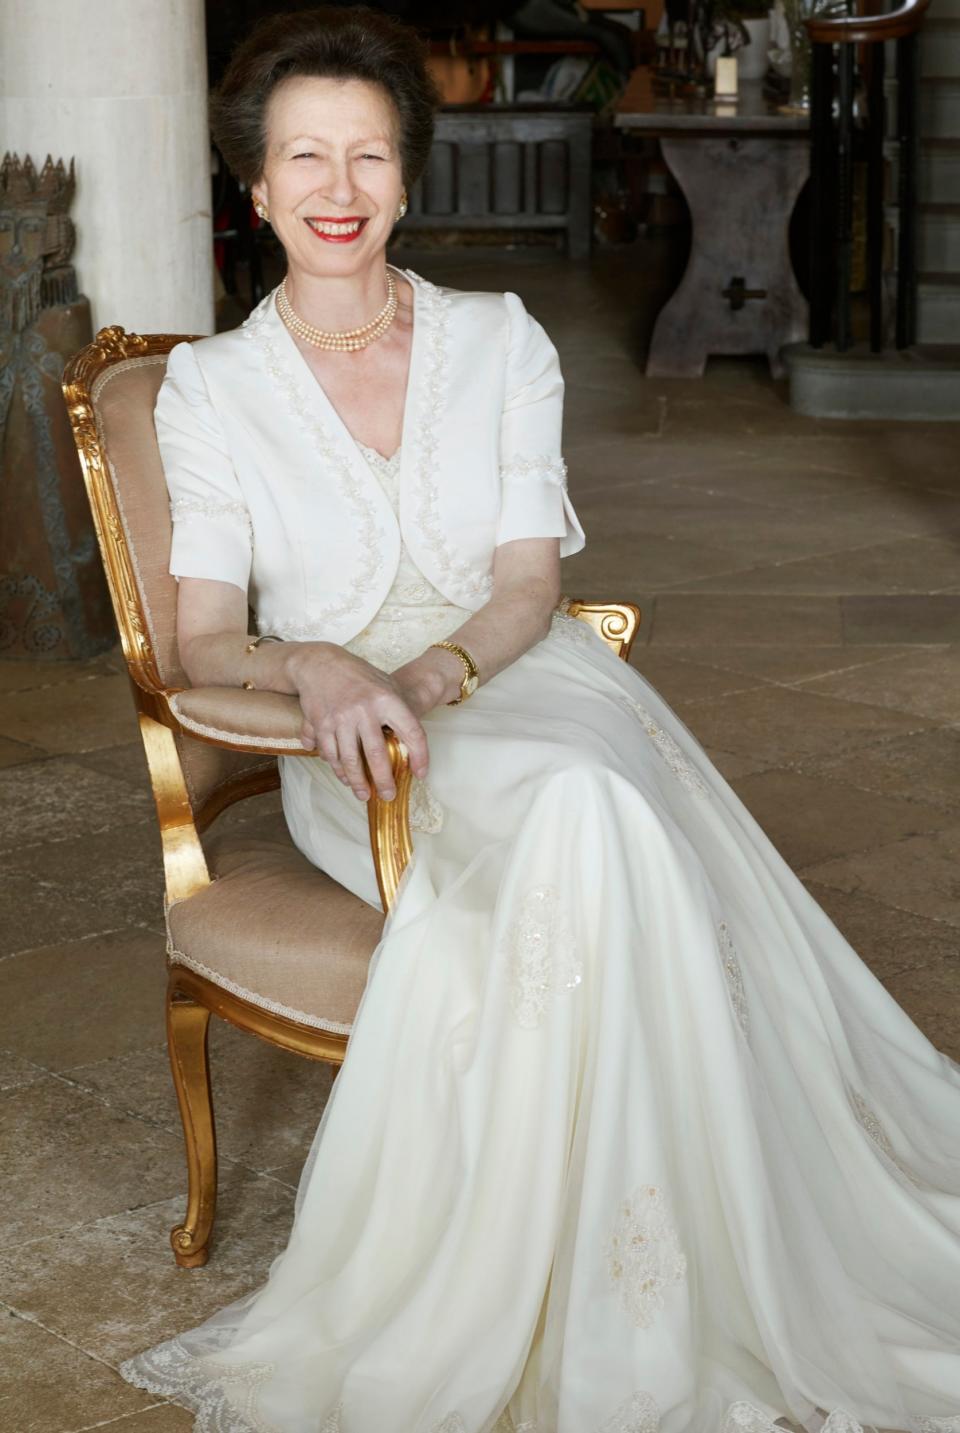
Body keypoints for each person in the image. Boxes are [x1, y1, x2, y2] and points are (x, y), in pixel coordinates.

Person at [119, 8, 960, 1432]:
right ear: (253, 189)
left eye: (369, 155)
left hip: (522, 681)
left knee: (588, 796)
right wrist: (321, 667)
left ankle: (680, 1269)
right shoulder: (211, 389)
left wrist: (436, 674)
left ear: (408, 175)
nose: (339, 188)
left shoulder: (499, 340)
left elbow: (526, 587)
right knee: (590, 815)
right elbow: (203, 640)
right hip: (349, 749)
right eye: (304, 158)